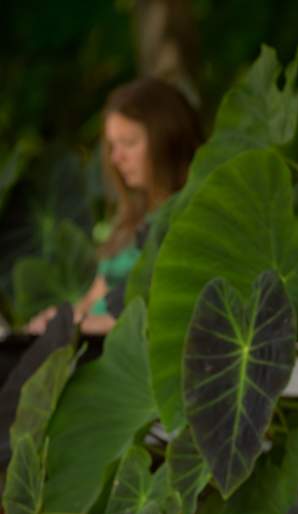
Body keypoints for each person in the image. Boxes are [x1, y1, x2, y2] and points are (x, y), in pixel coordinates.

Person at [25, 77, 203, 335]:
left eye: (129, 143)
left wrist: (81, 325)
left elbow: (166, 316)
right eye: (112, 146)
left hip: (113, 350)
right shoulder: (131, 220)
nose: (116, 158)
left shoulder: (191, 218)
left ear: (168, 138)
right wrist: (58, 319)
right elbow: (90, 301)